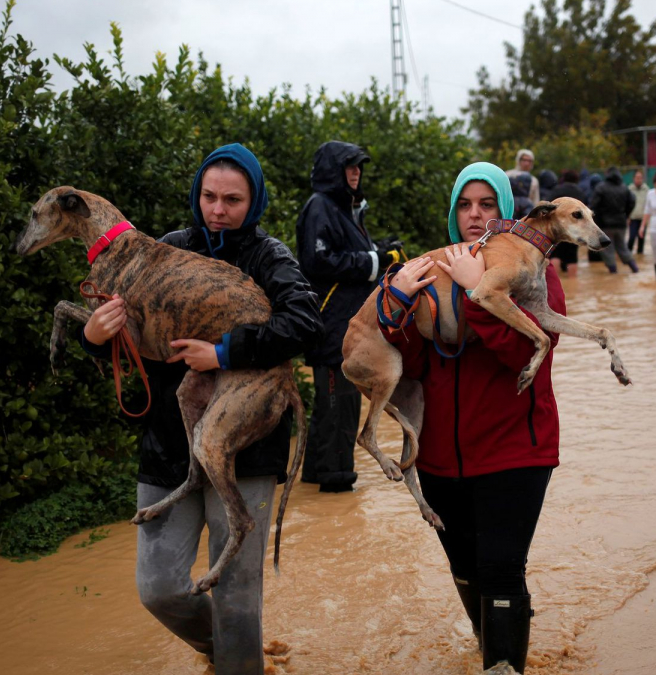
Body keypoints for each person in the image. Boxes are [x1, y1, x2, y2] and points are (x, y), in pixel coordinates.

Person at [80, 144, 322, 674]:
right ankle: (219, 650)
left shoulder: (269, 257)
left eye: (232, 199)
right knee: (159, 589)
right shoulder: (163, 249)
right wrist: (95, 337)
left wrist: (224, 353)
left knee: (238, 601)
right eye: (209, 197)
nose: (217, 209)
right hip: (168, 444)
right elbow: (129, 340)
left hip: (250, 450)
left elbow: (306, 324)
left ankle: (239, 657)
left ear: (253, 201)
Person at [380, 161, 564, 674]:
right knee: (465, 569)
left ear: (506, 211)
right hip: (441, 459)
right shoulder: (433, 271)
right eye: (465, 204)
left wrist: (476, 292)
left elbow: (526, 355)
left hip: (514, 454)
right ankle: (495, 659)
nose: (475, 215)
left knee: (501, 571)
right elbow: (412, 368)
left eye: (487, 205)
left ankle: (505, 665)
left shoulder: (532, 272)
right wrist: (396, 311)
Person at [296, 141, 401, 492]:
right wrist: (376, 261)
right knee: (338, 407)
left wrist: (377, 250)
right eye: (349, 166)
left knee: (333, 407)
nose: (356, 173)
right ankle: (335, 483)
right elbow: (319, 262)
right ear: (333, 171)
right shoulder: (320, 207)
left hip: (346, 329)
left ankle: (314, 477)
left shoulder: (343, 208)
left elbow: (345, 254)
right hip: (331, 329)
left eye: (359, 167)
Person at [589, 167, 640, 273]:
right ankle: (635, 269)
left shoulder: (601, 187)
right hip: (621, 223)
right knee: (623, 247)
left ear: (607, 174)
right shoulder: (624, 187)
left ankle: (613, 272)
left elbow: (593, 206)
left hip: (605, 224)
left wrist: (597, 219)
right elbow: (632, 201)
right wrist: (626, 214)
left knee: (607, 249)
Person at [550, 170, 587, 272]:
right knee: (572, 255)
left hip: (558, 225)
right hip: (575, 227)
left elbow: (549, 205)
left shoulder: (557, 190)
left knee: (555, 253)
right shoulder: (580, 191)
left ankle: (555, 280)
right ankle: (573, 282)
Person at [627, 169, 648, 255]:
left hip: (643, 219)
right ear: (633, 178)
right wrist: (627, 217)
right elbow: (626, 205)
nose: (638, 179)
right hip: (633, 218)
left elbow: (648, 205)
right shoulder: (629, 189)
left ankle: (640, 256)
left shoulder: (647, 190)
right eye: (637, 177)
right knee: (632, 237)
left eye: (640, 178)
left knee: (641, 239)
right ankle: (628, 254)